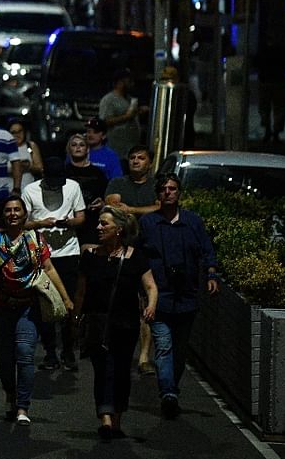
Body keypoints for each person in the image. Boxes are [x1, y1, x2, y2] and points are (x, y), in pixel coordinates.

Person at [72, 206, 158, 440]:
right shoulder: (90, 257)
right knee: (103, 370)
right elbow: (80, 292)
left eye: (104, 224)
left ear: (118, 229)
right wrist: (76, 318)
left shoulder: (135, 257)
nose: (99, 228)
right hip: (98, 324)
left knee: (121, 371)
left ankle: (117, 418)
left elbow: (150, 285)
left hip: (126, 324)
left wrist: (151, 305)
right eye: (99, 223)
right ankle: (106, 417)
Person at [139, 174, 220, 420]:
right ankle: (169, 393)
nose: (167, 192)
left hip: (186, 296)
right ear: (158, 193)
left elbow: (207, 250)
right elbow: (139, 256)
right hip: (160, 295)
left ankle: (171, 386)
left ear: (179, 192)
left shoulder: (193, 222)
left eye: (172, 188)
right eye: (163, 189)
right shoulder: (149, 223)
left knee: (180, 350)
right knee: (163, 346)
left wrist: (211, 274)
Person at [0, 196, 73, 425]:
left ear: (25, 214)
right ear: (3, 215)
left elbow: (49, 268)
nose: (13, 213)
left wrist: (66, 298)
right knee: (5, 359)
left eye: (17, 209)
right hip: (1, 306)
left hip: (28, 305)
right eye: (8, 210)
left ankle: (22, 406)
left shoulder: (36, 239)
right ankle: (10, 395)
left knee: (25, 354)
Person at [21, 157, 86, 371]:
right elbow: (23, 222)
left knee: (67, 303)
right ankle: (50, 352)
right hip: (41, 251)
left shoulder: (72, 187)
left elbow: (81, 217)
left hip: (68, 251)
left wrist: (69, 222)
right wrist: (41, 223)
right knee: (45, 302)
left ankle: (67, 349)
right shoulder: (30, 190)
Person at [104, 145, 161, 375]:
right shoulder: (118, 183)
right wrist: (140, 210)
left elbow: (159, 208)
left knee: (145, 301)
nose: (136, 161)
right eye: (132, 157)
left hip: (147, 248)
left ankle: (145, 356)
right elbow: (112, 205)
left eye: (141, 158)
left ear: (149, 162)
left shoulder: (157, 185)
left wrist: (133, 210)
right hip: (120, 248)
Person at [97, 70, 142, 162]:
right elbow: (105, 121)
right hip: (116, 149)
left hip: (130, 149)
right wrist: (127, 116)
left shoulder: (129, 99)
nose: (132, 84)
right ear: (120, 82)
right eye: (129, 81)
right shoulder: (109, 99)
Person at [8, 119, 43, 189]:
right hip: (9, 191)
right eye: (14, 132)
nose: (17, 135)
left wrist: (28, 166)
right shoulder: (5, 147)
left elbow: (40, 168)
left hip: (29, 190)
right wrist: (16, 167)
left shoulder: (31, 146)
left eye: (20, 131)